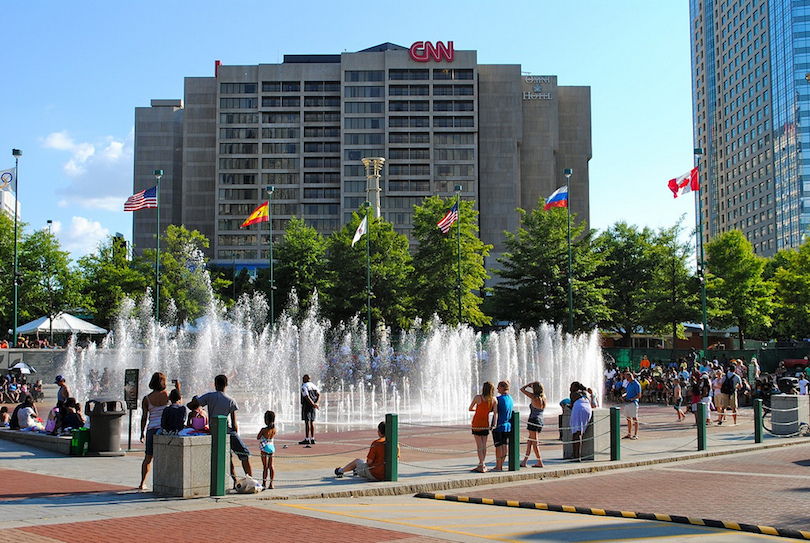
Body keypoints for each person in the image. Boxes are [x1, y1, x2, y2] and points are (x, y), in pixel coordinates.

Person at [194, 374, 253, 485]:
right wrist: (235, 433)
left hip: (214, 431)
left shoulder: (209, 397)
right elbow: (234, 422)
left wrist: (195, 399)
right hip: (227, 431)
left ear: (215, 384)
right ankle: (250, 479)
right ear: (226, 384)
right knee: (244, 454)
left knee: (228, 457)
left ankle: (235, 480)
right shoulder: (230, 401)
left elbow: (193, 405)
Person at [138, 372, 178, 490]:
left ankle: (142, 482)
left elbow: (144, 417)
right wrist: (177, 388)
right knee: (167, 456)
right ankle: (168, 481)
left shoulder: (147, 399)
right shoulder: (167, 395)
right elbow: (178, 402)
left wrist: (142, 432)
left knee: (148, 457)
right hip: (165, 430)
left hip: (152, 430)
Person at [334, 420, 399, 481]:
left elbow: (369, 462)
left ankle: (340, 471)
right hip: (389, 475)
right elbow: (397, 460)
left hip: (375, 474)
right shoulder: (395, 443)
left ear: (379, 432)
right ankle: (356, 470)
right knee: (361, 463)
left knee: (357, 461)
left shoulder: (376, 443)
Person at [468, 381, 497, 472]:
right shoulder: (494, 400)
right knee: (484, 445)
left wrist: (477, 409)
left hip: (476, 422)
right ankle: (482, 463)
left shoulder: (478, 398)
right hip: (485, 423)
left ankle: (481, 464)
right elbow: (495, 414)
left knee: (479, 445)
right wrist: (494, 424)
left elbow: (470, 408)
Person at [519, 381, 545, 468]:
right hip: (540, 420)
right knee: (530, 441)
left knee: (534, 443)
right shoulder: (544, 397)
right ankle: (524, 461)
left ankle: (540, 461)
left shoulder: (534, 397)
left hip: (533, 420)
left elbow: (522, 389)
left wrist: (528, 385)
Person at [491, 381, 513, 472]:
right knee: (504, 446)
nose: (497, 389)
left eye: (498, 387)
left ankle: (498, 466)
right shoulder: (510, 398)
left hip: (499, 425)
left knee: (498, 446)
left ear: (502, 388)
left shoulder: (499, 399)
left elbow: (493, 410)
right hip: (507, 426)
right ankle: (501, 464)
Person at [569, 381, 592, 461]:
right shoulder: (585, 393)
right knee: (580, 432)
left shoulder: (573, 394)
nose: (570, 389)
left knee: (576, 432)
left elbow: (571, 406)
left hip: (578, 409)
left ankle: (576, 455)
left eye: (571, 387)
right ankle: (576, 455)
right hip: (588, 410)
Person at [257, 410, 277, 489]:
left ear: (267, 420)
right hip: (271, 447)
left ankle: (264, 483)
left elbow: (258, 437)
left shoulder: (264, 430)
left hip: (264, 447)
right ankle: (271, 483)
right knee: (271, 466)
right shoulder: (274, 429)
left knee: (265, 466)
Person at [299, 374, 320, 446]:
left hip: (307, 405)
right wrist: (316, 403)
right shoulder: (314, 385)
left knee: (307, 422)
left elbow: (306, 396)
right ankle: (313, 438)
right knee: (312, 422)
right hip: (313, 405)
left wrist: (312, 403)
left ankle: (307, 439)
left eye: (303, 378)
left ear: (305, 379)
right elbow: (318, 394)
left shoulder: (304, 386)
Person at [622, 371, 641, 439]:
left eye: (627, 378)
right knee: (628, 418)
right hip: (627, 403)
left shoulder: (636, 384)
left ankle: (635, 434)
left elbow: (639, 395)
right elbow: (627, 392)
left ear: (630, 377)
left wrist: (632, 399)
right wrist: (623, 396)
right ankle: (629, 433)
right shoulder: (629, 384)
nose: (627, 380)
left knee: (634, 418)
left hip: (633, 403)